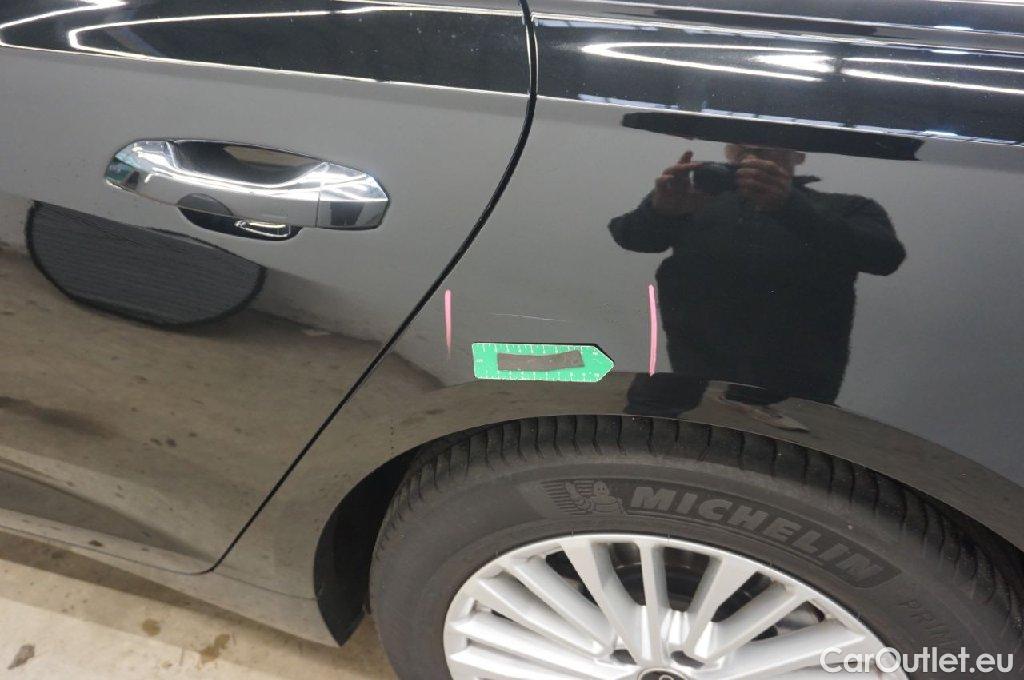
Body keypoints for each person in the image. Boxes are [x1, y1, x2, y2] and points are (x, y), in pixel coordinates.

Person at [609, 144, 906, 427]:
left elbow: (885, 257)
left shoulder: (846, 208)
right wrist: (660, 210)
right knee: (653, 449)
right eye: (740, 148)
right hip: (688, 377)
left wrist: (790, 206)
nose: (750, 158)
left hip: (797, 390)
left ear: (799, 154)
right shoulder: (698, 200)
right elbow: (632, 237)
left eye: (765, 148)